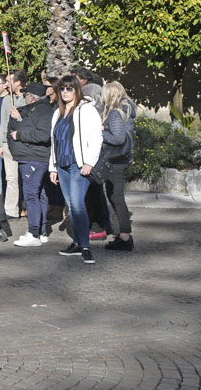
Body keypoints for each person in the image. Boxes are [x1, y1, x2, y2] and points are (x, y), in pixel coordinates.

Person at [48, 76, 103, 265]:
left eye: (69, 89)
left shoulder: (87, 110)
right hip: (62, 165)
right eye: (62, 89)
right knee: (71, 206)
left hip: (78, 165)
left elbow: (96, 137)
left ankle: (86, 246)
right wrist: (53, 167)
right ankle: (78, 243)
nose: (65, 92)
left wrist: (89, 162)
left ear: (77, 90)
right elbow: (54, 142)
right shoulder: (58, 113)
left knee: (78, 204)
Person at [8, 83, 54, 247]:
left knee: (31, 195)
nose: (23, 97)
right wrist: (19, 119)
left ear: (31, 97)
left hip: (34, 158)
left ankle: (34, 233)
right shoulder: (38, 110)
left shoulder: (44, 111)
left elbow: (43, 134)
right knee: (39, 194)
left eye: (25, 94)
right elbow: (32, 125)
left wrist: (18, 133)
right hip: (33, 157)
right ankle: (40, 231)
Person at [100, 81, 136, 251]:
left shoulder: (115, 113)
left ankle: (124, 237)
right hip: (121, 158)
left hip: (115, 161)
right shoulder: (127, 109)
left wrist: (101, 131)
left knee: (117, 197)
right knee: (115, 196)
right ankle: (124, 234)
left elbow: (118, 138)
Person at [0, 69, 27, 219]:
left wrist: (20, 117)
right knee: (11, 178)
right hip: (9, 144)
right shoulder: (6, 100)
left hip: (25, 143)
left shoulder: (29, 98)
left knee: (27, 177)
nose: (6, 85)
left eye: (9, 82)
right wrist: (1, 143)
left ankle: (28, 206)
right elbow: (3, 123)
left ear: (18, 82)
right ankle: (11, 210)